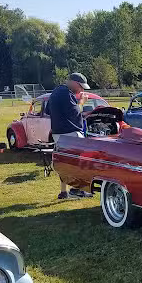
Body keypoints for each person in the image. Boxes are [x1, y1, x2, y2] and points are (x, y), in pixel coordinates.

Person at [48, 72, 91, 200]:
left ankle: (63, 192)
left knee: (64, 163)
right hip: (70, 133)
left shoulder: (56, 92)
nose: (81, 90)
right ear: (73, 82)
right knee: (79, 163)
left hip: (58, 133)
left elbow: (47, 111)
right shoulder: (66, 93)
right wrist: (82, 102)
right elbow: (76, 113)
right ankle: (76, 190)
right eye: (80, 86)